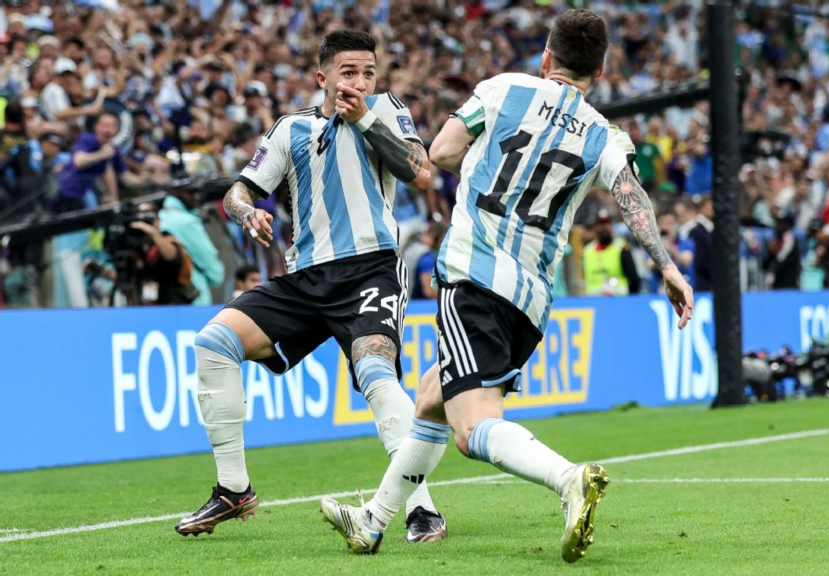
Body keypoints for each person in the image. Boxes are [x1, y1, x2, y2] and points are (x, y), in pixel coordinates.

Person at [320, 10, 694, 563]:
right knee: (430, 400)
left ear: (546, 56)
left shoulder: (503, 89)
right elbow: (631, 197)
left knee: (472, 429)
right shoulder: (603, 132)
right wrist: (665, 265)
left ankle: (568, 479)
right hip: (532, 299)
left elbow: (440, 154)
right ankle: (373, 521)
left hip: (476, 274)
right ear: (602, 68)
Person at [175, 31, 447, 544]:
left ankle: (421, 509)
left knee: (375, 373)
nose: (360, 81)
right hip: (305, 279)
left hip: (371, 269)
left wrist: (363, 117)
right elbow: (239, 189)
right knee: (213, 343)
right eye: (348, 72)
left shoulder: (386, 110)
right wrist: (246, 211)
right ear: (322, 77)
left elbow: (423, 175)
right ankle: (234, 489)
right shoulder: (291, 128)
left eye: (368, 72)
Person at [581, 208, 640, 295]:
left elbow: (634, 279)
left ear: (612, 225)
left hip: (618, 299)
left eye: (607, 224)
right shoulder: (587, 251)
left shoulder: (622, 248)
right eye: (601, 224)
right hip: (593, 300)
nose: (604, 228)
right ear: (595, 227)